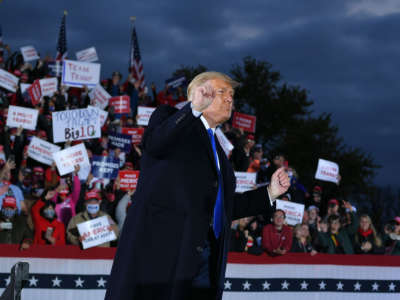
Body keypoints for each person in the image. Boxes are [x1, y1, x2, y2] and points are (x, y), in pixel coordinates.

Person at [105, 71, 290, 300]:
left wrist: (270, 193)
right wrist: (192, 109)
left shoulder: (221, 155)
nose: (230, 99)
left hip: (203, 262)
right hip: (161, 258)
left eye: (232, 94)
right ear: (198, 93)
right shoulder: (169, 117)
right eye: (222, 92)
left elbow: (223, 206)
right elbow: (155, 144)